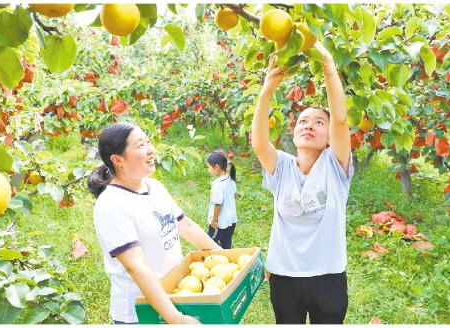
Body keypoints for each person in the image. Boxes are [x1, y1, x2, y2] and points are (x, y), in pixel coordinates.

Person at [251, 38, 354, 324]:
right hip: (284, 277)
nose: (309, 124)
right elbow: (259, 143)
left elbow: (341, 121)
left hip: (328, 277)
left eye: (319, 122)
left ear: (328, 135)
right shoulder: (282, 166)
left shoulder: (335, 165)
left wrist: (328, 65)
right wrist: (266, 92)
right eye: (302, 121)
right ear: (294, 133)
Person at [88, 122, 222, 324]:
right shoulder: (110, 205)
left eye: (148, 142)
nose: (151, 150)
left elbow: (186, 226)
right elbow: (137, 266)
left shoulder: (154, 187)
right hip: (139, 313)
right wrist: (177, 320)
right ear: (117, 160)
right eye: (140, 145)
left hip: (171, 297)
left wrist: (226, 257)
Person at [205, 151, 238, 249]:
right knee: (226, 245)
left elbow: (218, 204)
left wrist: (214, 220)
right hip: (231, 221)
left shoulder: (218, 185)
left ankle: (211, 261)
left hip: (220, 223)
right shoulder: (230, 179)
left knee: (209, 244)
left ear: (216, 167)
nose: (208, 170)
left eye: (209, 167)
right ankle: (226, 260)